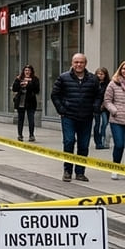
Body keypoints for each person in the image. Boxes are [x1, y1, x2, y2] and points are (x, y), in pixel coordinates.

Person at [50, 53, 101, 183]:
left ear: (85, 63)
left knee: (83, 145)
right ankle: (67, 170)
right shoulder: (63, 77)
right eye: (76, 62)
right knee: (69, 141)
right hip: (69, 116)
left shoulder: (93, 79)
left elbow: (99, 96)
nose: (79, 65)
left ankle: (80, 172)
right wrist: (61, 109)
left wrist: (95, 107)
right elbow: (55, 95)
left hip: (86, 116)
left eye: (81, 62)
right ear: (72, 63)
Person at [11, 64, 39, 142]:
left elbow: (37, 90)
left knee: (31, 119)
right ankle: (20, 135)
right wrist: (18, 82)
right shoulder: (19, 78)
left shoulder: (35, 79)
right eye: (26, 70)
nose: (27, 72)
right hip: (21, 101)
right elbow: (14, 89)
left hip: (31, 102)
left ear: (31, 71)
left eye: (29, 70)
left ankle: (31, 135)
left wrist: (28, 84)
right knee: (20, 119)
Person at [92, 66, 111, 150]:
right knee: (97, 124)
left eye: (102, 74)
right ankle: (98, 142)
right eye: (98, 74)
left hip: (105, 107)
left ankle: (104, 140)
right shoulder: (93, 83)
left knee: (105, 123)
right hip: (95, 107)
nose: (99, 75)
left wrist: (104, 104)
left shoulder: (108, 84)